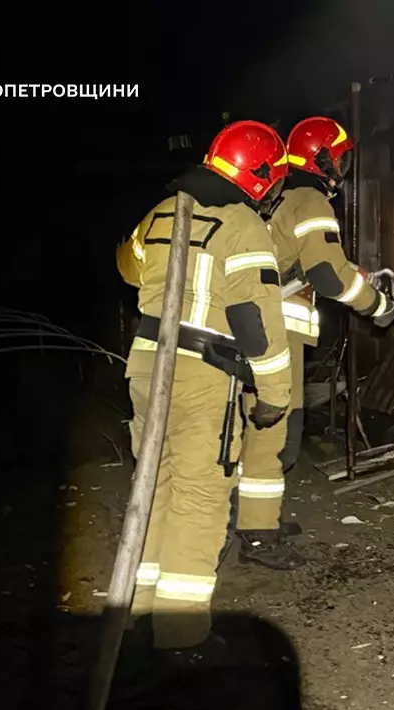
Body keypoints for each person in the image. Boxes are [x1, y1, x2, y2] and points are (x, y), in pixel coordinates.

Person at [115, 120, 299, 649]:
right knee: (199, 501)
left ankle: (140, 616)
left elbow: (129, 268)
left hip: (147, 368)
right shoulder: (243, 224)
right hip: (202, 376)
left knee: (156, 488)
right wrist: (274, 397)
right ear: (261, 175)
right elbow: (256, 324)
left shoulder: (160, 211)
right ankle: (180, 636)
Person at [232, 115, 394, 555]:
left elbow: (308, 262)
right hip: (276, 335)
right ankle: (255, 533)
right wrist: (378, 306)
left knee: (262, 435)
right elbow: (327, 274)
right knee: (276, 438)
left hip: (261, 330)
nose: (343, 166)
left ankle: (256, 521)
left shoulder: (285, 196)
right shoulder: (310, 200)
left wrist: (346, 273)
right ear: (321, 157)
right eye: (340, 157)